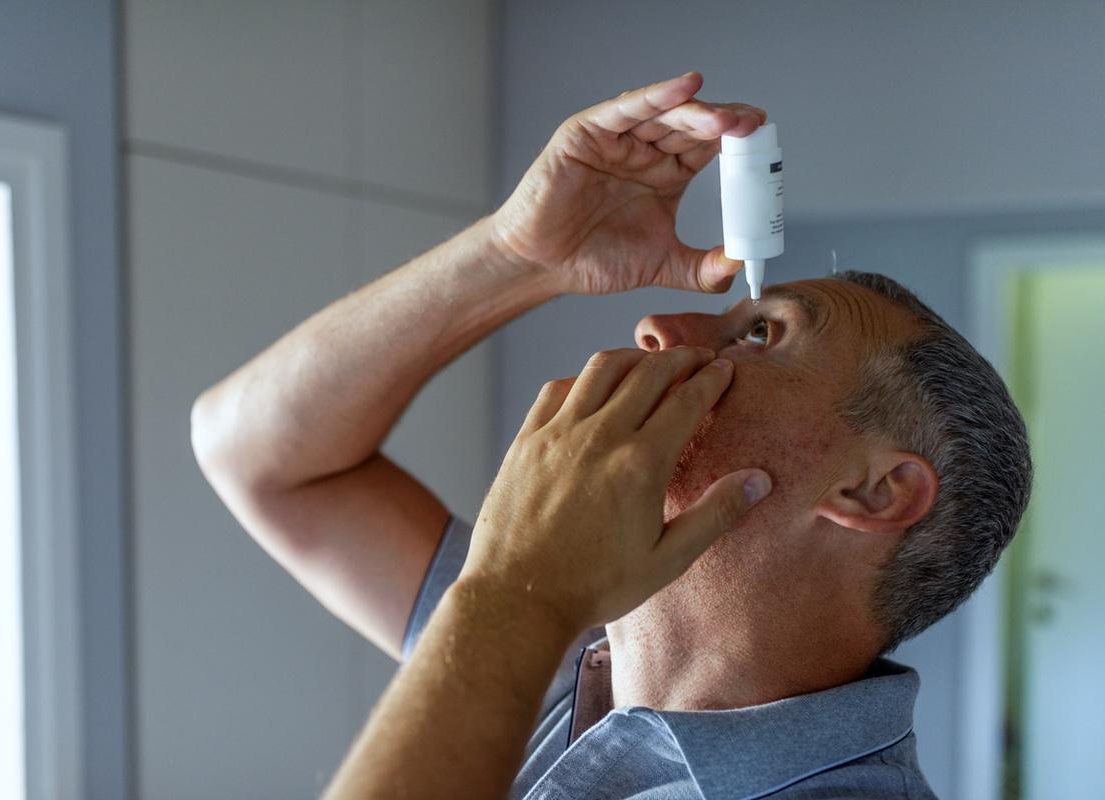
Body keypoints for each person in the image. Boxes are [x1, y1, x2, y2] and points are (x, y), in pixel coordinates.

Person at [191, 72, 1032, 799]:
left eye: (760, 335)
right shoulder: (564, 646)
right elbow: (262, 458)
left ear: (872, 489)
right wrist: (520, 256)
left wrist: (515, 590)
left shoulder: (529, 621)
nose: (658, 327)